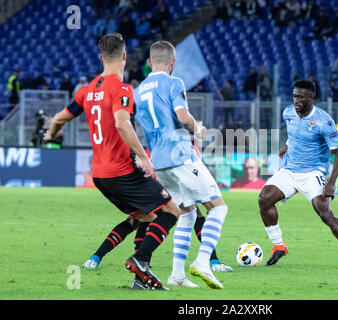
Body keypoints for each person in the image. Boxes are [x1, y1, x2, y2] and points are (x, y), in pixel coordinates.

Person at [44, 33, 182, 290]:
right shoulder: (122, 88)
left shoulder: (85, 91)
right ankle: (140, 260)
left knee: (148, 217)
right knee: (171, 211)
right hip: (123, 171)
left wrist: (51, 134)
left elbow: (59, 119)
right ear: (125, 56)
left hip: (100, 176)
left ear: (100, 57)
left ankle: (141, 279)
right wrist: (143, 157)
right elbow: (121, 122)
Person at [134, 41, 229, 289]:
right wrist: (198, 129)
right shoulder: (174, 83)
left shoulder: (139, 90)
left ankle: (177, 275)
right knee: (217, 207)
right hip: (180, 156)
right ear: (173, 62)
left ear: (148, 63)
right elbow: (183, 117)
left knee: (186, 214)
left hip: (159, 162)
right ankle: (203, 262)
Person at [258, 80, 338, 268]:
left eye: (300, 97)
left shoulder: (324, 121)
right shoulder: (288, 113)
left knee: (324, 212)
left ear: (311, 98)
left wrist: (331, 182)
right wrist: (287, 145)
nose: (296, 100)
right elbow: (294, 134)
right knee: (264, 199)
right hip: (290, 170)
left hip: (313, 173)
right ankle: (279, 246)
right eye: (294, 96)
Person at [83, 148, 233, 273]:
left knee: (139, 219)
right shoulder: (180, 144)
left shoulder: (161, 142)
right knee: (188, 214)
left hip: (156, 178)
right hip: (155, 179)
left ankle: (101, 258)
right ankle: (212, 261)